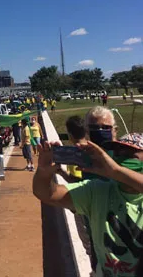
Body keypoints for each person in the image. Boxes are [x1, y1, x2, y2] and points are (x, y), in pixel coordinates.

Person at [32, 137, 143, 277]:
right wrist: (44, 172)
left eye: (130, 155)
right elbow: (47, 194)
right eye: (118, 154)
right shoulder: (97, 191)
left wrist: (116, 172)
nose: (121, 158)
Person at [64, 115, 86, 180]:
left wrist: (61, 172)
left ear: (70, 135)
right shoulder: (94, 148)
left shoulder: (73, 153)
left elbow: (78, 182)